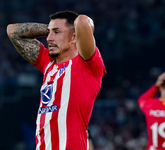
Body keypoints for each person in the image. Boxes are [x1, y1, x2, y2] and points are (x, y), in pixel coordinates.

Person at [7, 10, 106, 150]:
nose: (48, 38)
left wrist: (78, 28)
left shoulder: (88, 65)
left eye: (56, 32)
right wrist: (51, 30)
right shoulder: (48, 63)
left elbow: (82, 21)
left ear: (73, 37)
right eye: (49, 33)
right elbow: (13, 31)